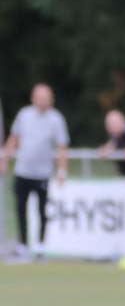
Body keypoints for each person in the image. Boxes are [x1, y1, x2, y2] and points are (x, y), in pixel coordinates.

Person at [1, 84, 70, 261]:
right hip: (23, 171)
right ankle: (22, 245)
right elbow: (14, 137)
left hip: (42, 173)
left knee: (41, 211)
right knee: (20, 208)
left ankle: (40, 246)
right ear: (33, 98)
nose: (43, 101)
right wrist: (5, 158)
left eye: (46, 97)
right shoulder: (24, 115)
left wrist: (62, 171)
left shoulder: (56, 119)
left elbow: (62, 147)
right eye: (40, 97)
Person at [97, 110, 125, 177]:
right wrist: (104, 150)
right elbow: (112, 144)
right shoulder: (116, 136)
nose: (112, 127)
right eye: (109, 124)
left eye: (115, 123)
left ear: (123, 122)